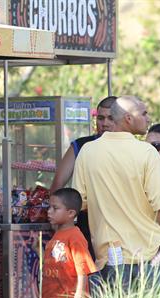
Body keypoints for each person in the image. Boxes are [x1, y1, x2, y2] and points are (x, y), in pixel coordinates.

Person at [72, 96, 160, 291]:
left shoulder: (87, 151)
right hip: (148, 253)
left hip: (108, 255)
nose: (148, 118)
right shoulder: (146, 152)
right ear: (128, 118)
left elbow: (80, 201)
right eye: (144, 113)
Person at [50, 96, 117, 257]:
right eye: (100, 118)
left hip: (120, 223)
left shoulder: (134, 148)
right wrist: (59, 215)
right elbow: (58, 184)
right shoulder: (80, 145)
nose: (104, 123)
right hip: (88, 222)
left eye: (110, 118)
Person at [41, 188, 97, 298]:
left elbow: (82, 271)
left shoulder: (74, 237)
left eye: (55, 208)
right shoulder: (58, 234)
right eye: (49, 207)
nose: (49, 211)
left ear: (71, 213)